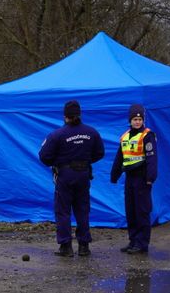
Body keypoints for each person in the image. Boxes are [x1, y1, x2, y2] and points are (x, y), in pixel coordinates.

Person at [38, 99, 105, 256]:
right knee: (82, 210)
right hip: (83, 174)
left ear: (65, 116)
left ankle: (66, 246)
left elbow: (44, 156)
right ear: (80, 114)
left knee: (63, 211)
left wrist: (58, 163)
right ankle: (84, 246)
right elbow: (100, 153)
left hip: (65, 175)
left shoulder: (57, 135)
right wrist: (85, 160)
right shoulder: (91, 132)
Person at [110, 102, 158, 254]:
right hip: (129, 178)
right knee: (131, 211)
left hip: (142, 178)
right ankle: (133, 240)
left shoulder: (147, 135)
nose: (137, 122)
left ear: (143, 120)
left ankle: (142, 243)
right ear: (129, 120)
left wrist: (150, 177)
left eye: (140, 119)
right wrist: (114, 175)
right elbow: (119, 157)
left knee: (142, 211)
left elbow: (152, 158)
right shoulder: (125, 136)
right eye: (134, 119)